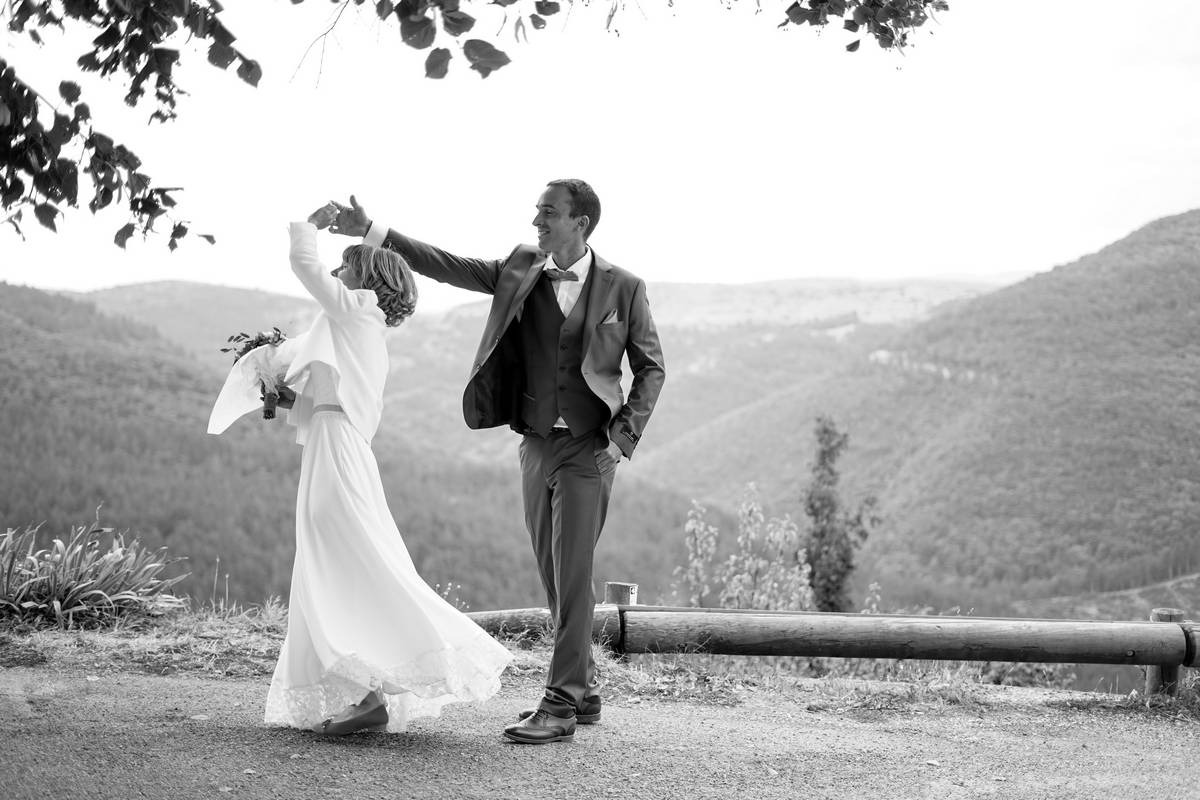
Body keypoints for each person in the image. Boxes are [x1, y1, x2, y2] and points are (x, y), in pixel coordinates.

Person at [329, 180, 666, 744]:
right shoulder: (520, 266)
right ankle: (583, 690)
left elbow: (651, 367)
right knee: (554, 575)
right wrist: (373, 231)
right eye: (537, 211)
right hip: (535, 445)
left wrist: (621, 436)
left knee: (574, 573)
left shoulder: (625, 287)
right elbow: (445, 265)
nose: (536, 220)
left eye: (548, 212)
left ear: (580, 223)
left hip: (590, 449)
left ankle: (559, 706)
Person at [208, 204, 512, 736]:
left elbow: (305, 266)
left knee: (340, 561)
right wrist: (277, 391)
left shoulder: (357, 310)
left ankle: (373, 692)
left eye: (347, 268)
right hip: (333, 447)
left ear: (367, 279)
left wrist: (305, 223)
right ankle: (366, 691)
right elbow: (322, 404)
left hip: (339, 453)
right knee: (334, 561)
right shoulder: (355, 327)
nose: (339, 275)